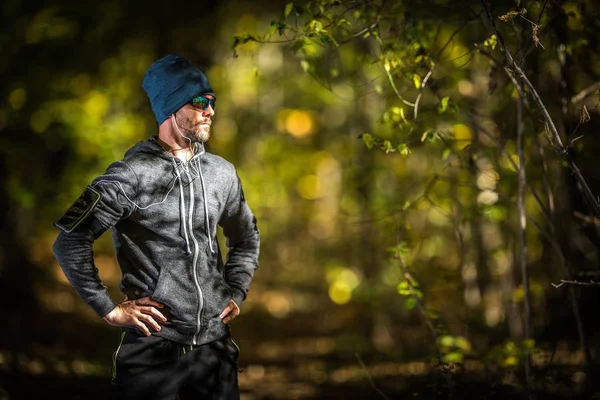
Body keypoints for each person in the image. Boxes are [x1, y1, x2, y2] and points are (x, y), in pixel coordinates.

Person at [52, 54, 260, 399]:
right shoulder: (132, 174)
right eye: (198, 101)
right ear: (171, 108)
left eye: (212, 101)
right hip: (152, 354)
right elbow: (70, 240)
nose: (209, 110)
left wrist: (236, 289)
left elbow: (246, 235)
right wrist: (108, 309)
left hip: (215, 352)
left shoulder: (221, 172)